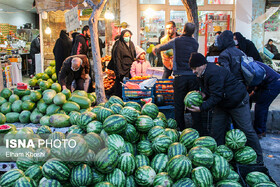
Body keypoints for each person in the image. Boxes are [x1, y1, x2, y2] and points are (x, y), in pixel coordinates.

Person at [187, 52, 263, 163]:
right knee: (217, 129)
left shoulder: (213, 73)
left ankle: (259, 159)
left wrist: (201, 108)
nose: (193, 71)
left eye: (195, 68)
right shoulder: (202, 73)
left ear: (202, 64)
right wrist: (204, 94)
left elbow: (216, 96)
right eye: (192, 69)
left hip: (238, 101)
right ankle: (220, 159)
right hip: (223, 102)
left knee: (246, 130)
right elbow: (213, 91)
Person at [153, 22, 201, 133]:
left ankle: (181, 129)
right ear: (192, 32)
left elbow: (164, 46)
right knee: (193, 102)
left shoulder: (177, 40)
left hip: (180, 77)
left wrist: (156, 48)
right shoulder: (195, 43)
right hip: (193, 77)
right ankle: (197, 128)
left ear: (183, 30)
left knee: (179, 104)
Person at [251, 61, 280, 138]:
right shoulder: (252, 63)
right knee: (263, 106)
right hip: (274, 82)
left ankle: (258, 131)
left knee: (260, 107)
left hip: (273, 84)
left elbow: (256, 81)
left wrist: (252, 91)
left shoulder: (250, 66)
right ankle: (262, 130)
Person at [112, 29, 136, 98]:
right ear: (122, 36)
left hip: (130, 67)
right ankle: (120, 97)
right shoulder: (119, 45)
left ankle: (128, 97)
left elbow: (133, 54)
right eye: (125, 35)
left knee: (129, 84)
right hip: (122, 68)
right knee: (121, 84)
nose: (127, 37)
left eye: (128, 35)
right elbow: (117, 58)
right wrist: (119, 70)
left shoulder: (131, 43)